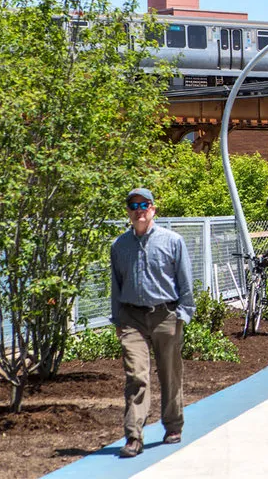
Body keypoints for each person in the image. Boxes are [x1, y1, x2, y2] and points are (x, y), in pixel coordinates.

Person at [111, 187, 195, 458]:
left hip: (165, 315)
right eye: (133, 205)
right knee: (136, 375)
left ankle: (172, 425)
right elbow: (116, 285)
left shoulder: (172, 241)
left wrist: (184, 314)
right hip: (132, 317)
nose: (139, 210)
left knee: (170, 374)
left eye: (144, 204)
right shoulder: (119, 246)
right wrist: (118, 320)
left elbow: (185, 282)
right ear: (128, 211)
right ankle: (134, 436)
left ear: (153, 209)